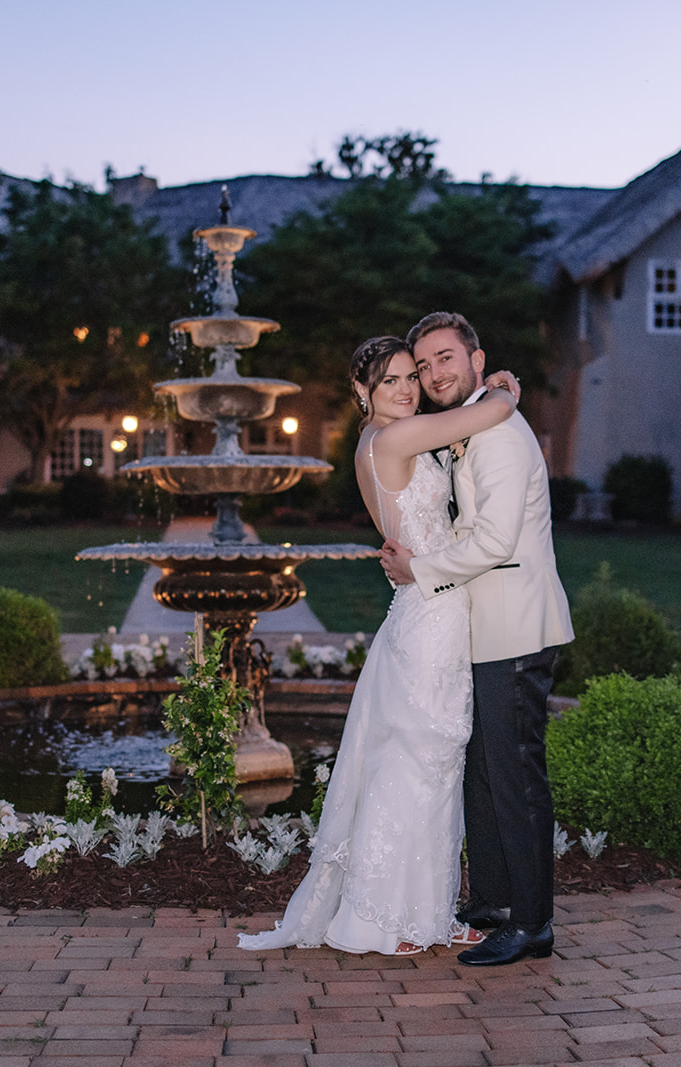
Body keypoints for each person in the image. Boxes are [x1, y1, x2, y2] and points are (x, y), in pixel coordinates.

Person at [237, 335, 521, 956]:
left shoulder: (388, 438)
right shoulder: (392, 439)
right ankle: (387, 920)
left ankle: (420, 911)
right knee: (420, 764)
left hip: (423, 607)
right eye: (390, 380)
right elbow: (491, 413)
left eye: (408, 377)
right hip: (433, 613)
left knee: (423, 763)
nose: (405, 388)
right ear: (362, 392)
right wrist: (501, 388)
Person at [380, 311, 574, 966]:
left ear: (475, 358)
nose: (434, 372)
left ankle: (532, 923)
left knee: (516, 777)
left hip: (516, 628)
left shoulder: (500, 434)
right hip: (482, 629)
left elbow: (493, 541)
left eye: (445, 358)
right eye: (424, 363)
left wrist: (420, 571)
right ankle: (492, 902)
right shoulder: (476, 423)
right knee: (485, 774)